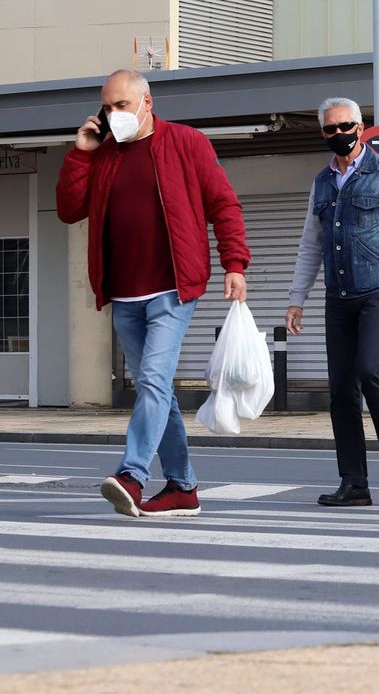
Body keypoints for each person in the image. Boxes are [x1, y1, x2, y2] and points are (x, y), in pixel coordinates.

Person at [56, 69, 250, 518]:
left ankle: (132, 475)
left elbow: (223, 204)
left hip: (173, 288)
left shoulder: (186, 143)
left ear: (147, 102)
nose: (112, 114)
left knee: (153, 382)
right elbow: (68, 209)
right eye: (106, 106)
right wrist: (81, 154)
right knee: (154, 389)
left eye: (120, 105)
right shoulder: (103, 156)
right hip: (123, 293)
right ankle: (183, 487)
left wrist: (234, 264)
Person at [286, 98, 379, 507]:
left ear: (361, 126)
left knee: (371, 369)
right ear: (323, 134)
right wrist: (296, 299)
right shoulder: (321, 183)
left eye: (346, 126)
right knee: (341, 391)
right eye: (331, 129)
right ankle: (353, 482)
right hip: (338, 297)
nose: (340, 134)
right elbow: (309, 246)